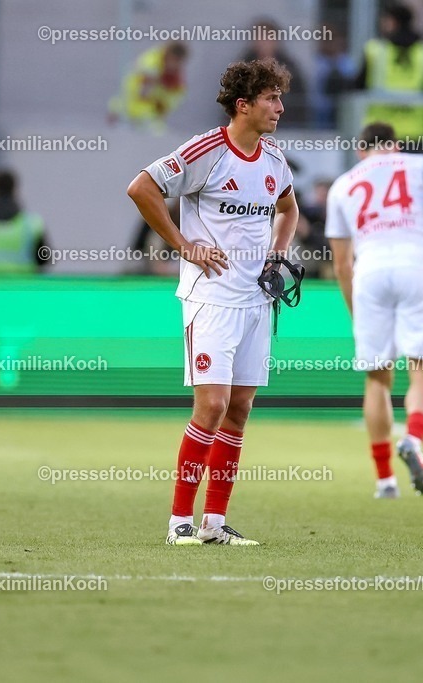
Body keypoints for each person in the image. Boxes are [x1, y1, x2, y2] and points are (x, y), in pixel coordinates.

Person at [127, 58, 299, 545]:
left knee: (239, 409)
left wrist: (277, 254)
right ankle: (179, 523)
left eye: (280, 98)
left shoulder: (274, 158)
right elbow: (141, 188)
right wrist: (184, 246)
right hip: (211, 298)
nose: (279, 108)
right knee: (213, 405)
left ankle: (214, 524)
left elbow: (288, 208)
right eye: (271, 99)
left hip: (256, 300)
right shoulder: (208, 150)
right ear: (243, 105)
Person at [326, 122, 423, 499]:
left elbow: (341, 264)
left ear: (361, 151)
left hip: (369, 273)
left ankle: (385, 481)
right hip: (416, 267)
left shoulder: (342, 184)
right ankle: (413, 438)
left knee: (377, 377)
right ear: (395, 146)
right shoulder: (422, 165)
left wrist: (356, 312)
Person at [353, 3, 423, 142]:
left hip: (379, 130)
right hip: (416, 130)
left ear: (392, 22)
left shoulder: (375, 51)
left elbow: (358, 85)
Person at [239, 20, 308, 126]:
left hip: (284, 125)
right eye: (259, 37)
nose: (263, 43)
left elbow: (298, 102)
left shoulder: (290, 68)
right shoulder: (243, 68)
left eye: (267, 38)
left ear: (276, 41)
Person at [108, 42, 189, 132]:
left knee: (157, 131)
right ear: (167, 54)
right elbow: (142, 88)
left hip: (149, 115)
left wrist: (162, 106)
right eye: (172, 59)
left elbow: (172, 100)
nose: (173, 64)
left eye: (177, 61)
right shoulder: (151, 62)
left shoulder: (176, 81)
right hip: (129, 108)